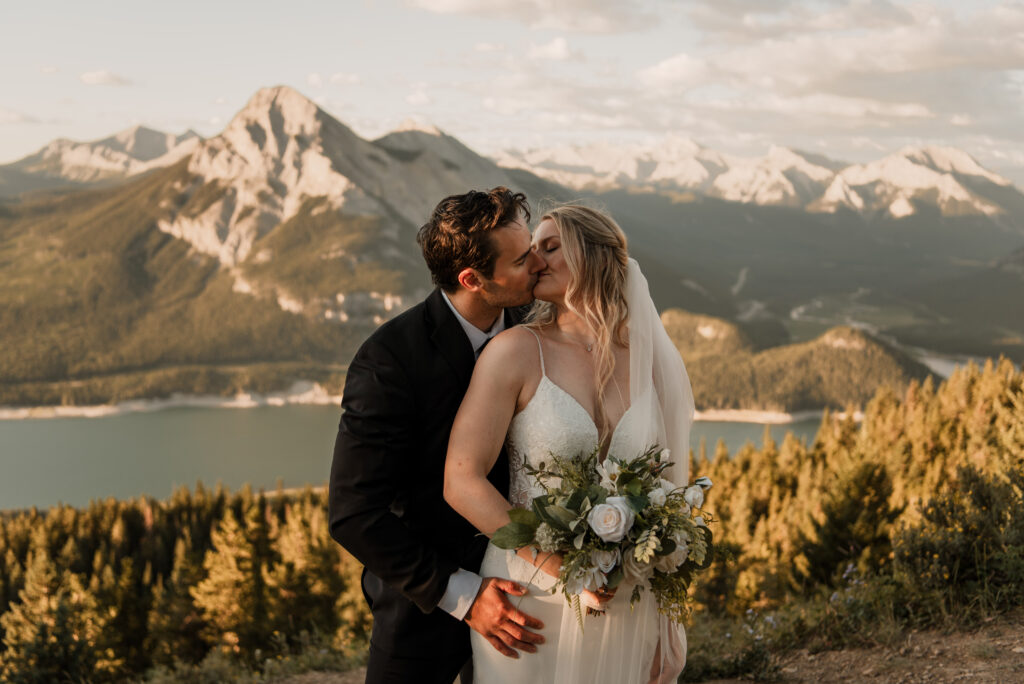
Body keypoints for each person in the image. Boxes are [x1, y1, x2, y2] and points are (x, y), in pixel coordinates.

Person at [444, 204, 695, 684]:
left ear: (596, 256)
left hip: (628, 602)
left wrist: (668, 625)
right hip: (529, 602)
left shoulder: (650, 360)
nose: (534, 260)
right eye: (531, 249)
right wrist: (562, 567)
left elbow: (670, 496)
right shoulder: (515, 351)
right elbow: (461, 480)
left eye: (550, 246)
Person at [328, 188, 548, 684]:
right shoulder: (388, 360)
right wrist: (465, 598)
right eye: (520, 258)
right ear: (473, 279)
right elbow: (353, 514)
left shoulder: (535, 328)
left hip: (531, 599)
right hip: (423, 612)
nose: (537, 263)